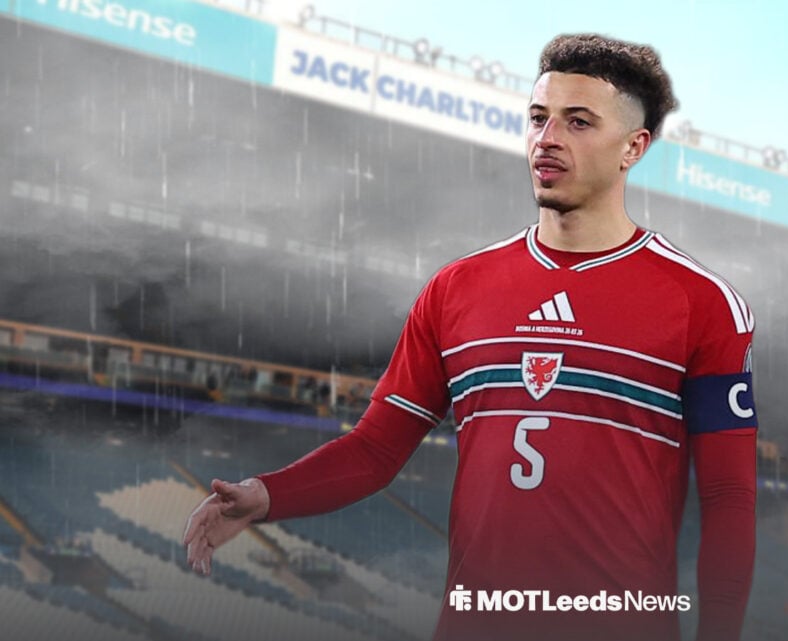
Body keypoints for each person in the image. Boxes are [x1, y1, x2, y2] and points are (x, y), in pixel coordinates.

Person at [183, 33, 757, 641]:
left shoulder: (702, 303)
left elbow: (727, 497)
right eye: (538, 118)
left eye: (579, 122)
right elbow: (376, 451)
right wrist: (266, 495)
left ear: (633, 148)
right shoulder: (457, 289)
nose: (548, 139)